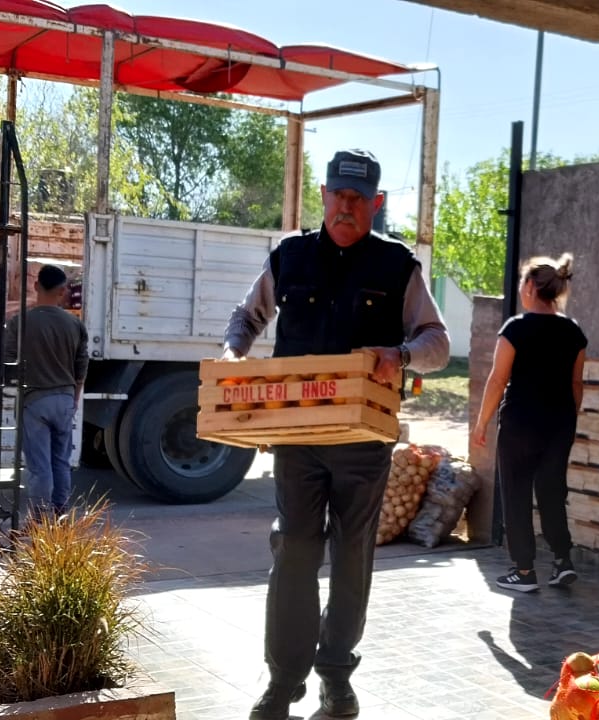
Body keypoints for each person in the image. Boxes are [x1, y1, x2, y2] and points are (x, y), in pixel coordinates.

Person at [221, 149, 450, 719]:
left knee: (352, 558)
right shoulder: (291, 256)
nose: (346, 207)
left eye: (358, 198)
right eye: (338, 196)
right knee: (294, 550)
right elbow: (246, 316)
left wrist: (399, 355)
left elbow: (437, 343)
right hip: (297, 438)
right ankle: (283, 684)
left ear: (376, 202)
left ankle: (336, 677)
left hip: (364, 443)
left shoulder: (397, 265)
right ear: (322, 195)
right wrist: (232, 353)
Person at [472, 254, 589, 593]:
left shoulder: (516, 328)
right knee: (552, 490)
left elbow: (497, 380)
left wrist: (481, 423)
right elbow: (576, 384)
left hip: (520, 423)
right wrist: (568, 418)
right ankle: (562, 561)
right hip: (560, 423)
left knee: (516, 492)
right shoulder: (573, 331)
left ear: (530, 287)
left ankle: (524, 571)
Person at [3, 264, 88, 522]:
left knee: (39, 467)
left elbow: (7, 361)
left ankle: (40, 521)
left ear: (36, 286)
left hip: (35, 401)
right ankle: (61, 517)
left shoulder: (20, 322)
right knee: (61, 462)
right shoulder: (74, 324)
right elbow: (81, 367)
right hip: (65, 399)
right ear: (63, 291)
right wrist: (74, 397)